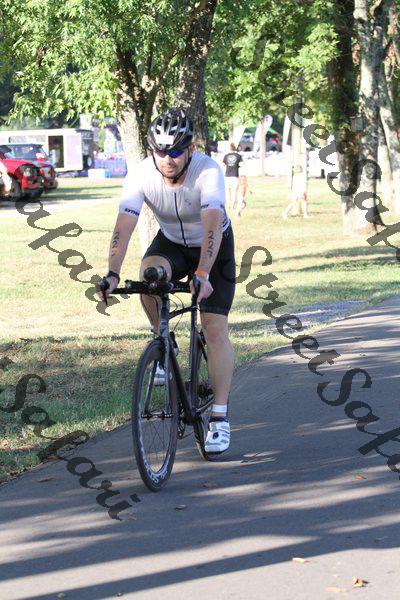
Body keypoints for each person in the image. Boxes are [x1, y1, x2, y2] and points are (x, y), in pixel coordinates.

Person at [99, 108, 236, 454]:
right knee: (148, 278)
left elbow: (211, 226)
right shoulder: (141, 174)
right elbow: (123, 227)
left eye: (175, 151)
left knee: (214, 328)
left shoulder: (208, 171)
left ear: (190, 149)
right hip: (172, 243)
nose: (168, 159)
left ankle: (220, 417)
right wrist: (112, 273)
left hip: (213, 246)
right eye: (160, 152)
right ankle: (165, 342)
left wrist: (203, 274)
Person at [223, 143, 243, 209]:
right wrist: (237, 166)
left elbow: (223, 165)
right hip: (235, 176)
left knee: (227, 191)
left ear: (229, 148)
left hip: (227, 176)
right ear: (235, 148)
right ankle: (232, 205)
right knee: (233, 191)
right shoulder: (238, 156)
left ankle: (228, 204)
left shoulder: (226, 156)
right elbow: (242, 164)